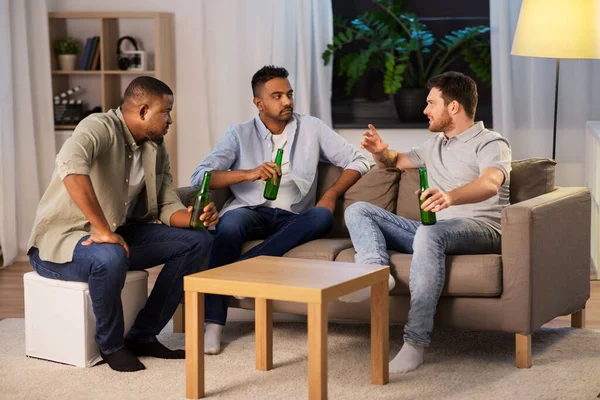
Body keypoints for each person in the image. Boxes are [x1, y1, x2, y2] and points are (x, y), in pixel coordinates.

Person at [28, 76, 218, 372]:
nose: (170, 121)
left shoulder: (156, 148)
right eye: (165, 112)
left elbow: (168, 204)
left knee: (198, 240)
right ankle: (112, 345)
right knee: (110, 255)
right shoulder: (99, 126)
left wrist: (195, 218)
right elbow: (70, 164)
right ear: (143, 111)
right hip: (60, 241)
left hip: (117, 234)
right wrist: (101, 229)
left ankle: (144, 335)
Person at [191, 65, 371, 354]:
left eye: (289, 94)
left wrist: (331, 194)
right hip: (251, 210)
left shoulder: (312, 128)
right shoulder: (238, 134)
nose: (287, 101)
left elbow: (359, 160)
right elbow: (201, 176)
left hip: (295, 217)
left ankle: (241, 272)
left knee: (322, 215)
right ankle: (213, 324)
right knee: (230, 225)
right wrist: (248, 173)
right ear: (259, 103)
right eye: (277, 96)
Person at [342, 71, 511, 374]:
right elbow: (396, 160)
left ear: (454, 107)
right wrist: (381, 151)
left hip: (482, 229)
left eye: (431, 103)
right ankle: (375, 273)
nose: (425, 110)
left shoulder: (490, 142)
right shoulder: (435, 145)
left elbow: (490, 183)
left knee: (430, 234)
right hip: (434, 232)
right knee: (359, 211)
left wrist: (450, 197)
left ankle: (415, 344)